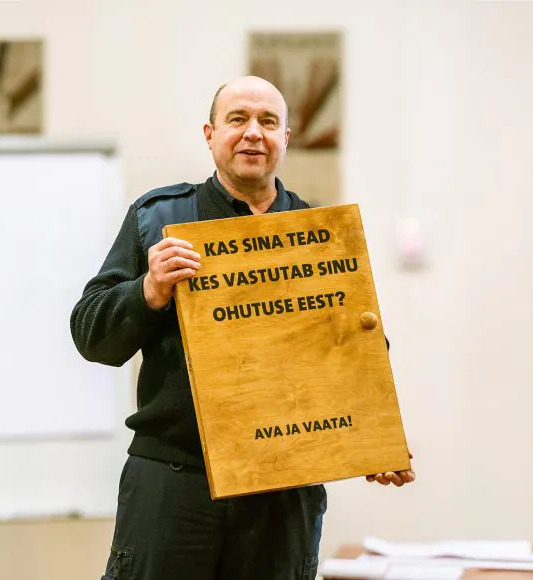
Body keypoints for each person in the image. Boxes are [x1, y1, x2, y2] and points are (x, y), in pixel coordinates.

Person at [71, 75, 415, 580]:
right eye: (238, 119)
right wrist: (149, 289)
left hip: (283, 490)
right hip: (174, 482)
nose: (254, 132)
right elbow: (91, 336)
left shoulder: (319, 235)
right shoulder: (157, 220)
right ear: (209, 134)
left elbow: (356, 354)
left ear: (285, 139)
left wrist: (372, 440)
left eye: (268, 122)